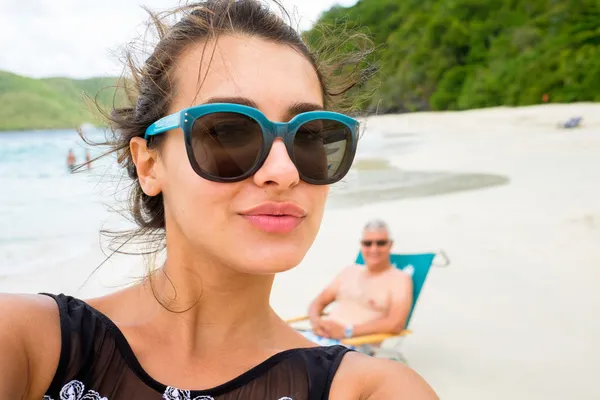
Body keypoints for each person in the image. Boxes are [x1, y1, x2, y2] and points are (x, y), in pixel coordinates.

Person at [0, 1, 437, 399]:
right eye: (229, 132)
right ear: (150, 165)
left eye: (311, 137)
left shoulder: (374, 390)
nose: (284, 171)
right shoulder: (24, 344)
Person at [306, 219, 413, 343]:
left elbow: (396, 324)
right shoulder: (349, 271)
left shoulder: (399, 279)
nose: (374, 249)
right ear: (361, 245)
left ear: (390, 245)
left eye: (381, 243)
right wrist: (316, 322)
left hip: (350, 346)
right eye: (368, 243)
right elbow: (317, 303)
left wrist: (347, 331)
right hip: (317, 336)